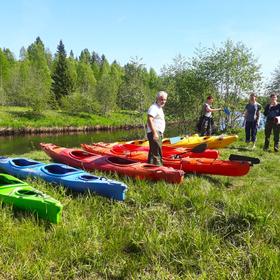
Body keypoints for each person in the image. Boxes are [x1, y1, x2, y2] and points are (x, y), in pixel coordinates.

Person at [146, 91, 168, 166]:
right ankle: (158, 170)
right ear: (157, 99)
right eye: (161, 99)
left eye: (165, 99)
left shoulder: (159, 108)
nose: (163, 101)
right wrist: (155, 133)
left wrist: (161, 133)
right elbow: (149, 119)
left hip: (158, 133)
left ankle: (150, 168)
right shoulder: (154, 107)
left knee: (154, 152)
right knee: (156, 153)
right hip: (154, 133)